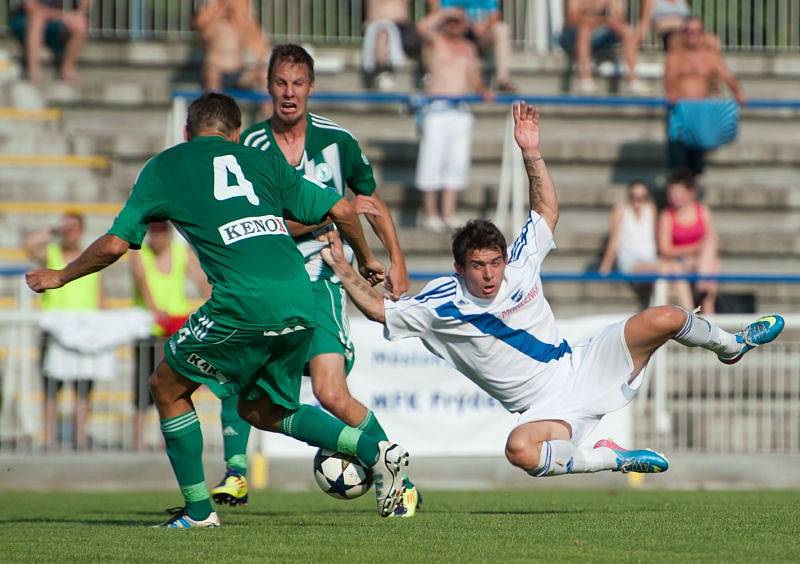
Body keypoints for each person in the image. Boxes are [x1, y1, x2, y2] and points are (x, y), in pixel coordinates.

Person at [320, 101, 785, 482]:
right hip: (542, 407)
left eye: (495, 262)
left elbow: (546, 210)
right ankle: (610, 458)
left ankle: (732, 344)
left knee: (665, 317)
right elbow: (381, 311)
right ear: (459, 268)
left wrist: (531, 153)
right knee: (518, 450)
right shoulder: (441, 303)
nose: (489, 274)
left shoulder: (519, 266)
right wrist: (343, 268)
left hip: (579, 363)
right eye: (478, 265)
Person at [26, 92, 410, 527]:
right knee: (260, 409)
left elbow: (115, 244)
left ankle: (198, 512)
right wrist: (368, 258)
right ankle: (375, 451)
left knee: (166, 387)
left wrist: (61, 275)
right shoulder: (260, 161)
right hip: (301, 296)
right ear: (236, 134)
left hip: (242, 300)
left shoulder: (166, 165)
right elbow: (342, 207)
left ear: (186, 133)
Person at [233, 44, 420, 517]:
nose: (289, 93)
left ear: (311, 87)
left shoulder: (338, 142)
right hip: (267, 283)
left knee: (330, 392)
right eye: (280, 83)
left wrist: (396, 260)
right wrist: (319, 221)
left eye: (298, 83)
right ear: (268, 85)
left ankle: (399, 480)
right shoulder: (250, 146)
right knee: (240, 389)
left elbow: (369, 203)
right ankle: (233, 472)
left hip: (320, 280)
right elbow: (257, 221)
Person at [129, 221, 212, 451]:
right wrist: (156, 311)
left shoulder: (180, 253)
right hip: (150, 330)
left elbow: (202, 282)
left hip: (175, 331)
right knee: (143, 388)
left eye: (160, 234)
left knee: (175, 388)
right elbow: (143, 284)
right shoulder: (140, 254)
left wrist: (213, 304)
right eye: (152, 234)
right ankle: (138, 440)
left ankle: (168, 439)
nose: (156, 239)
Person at [23, 211, 101, 450]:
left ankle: (79, 439)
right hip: (55, 329)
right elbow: (29, 244)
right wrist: (56, 229)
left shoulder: (88, 258)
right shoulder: (52, 254)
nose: (70, 233)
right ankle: (51, 440)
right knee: (51, 388)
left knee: (83, 390)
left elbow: (99, 292)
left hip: (85, 330)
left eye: (73, 228)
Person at [415, 8, 492, 233]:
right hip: (437, 109)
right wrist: (446, 12)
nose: (454, 25)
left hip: (460, 110)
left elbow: (474, 77)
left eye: (458, 22)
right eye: (451, 22)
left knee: (456, 162)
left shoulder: (468, 48)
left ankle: (447, 213)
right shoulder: (435, 42)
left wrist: (483, 89)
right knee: (432, 161)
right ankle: (430, 213)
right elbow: (422, 27)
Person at [664, 16, 744, 175]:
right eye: (688, 31)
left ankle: (689, 196)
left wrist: (738, 94)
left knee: (696, 163)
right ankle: (677, 194)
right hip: (681, 111)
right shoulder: (675, 56)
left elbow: (728, 77)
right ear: (683, 34)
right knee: (678, 162)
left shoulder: (711, 57)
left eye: (697, 31)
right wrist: (672, 96)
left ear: (703, 34)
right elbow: (669, 81)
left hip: (701, 112)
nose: (692, 35)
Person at [598, 180, 693, 310]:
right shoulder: (621, 210)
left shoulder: (650, 209)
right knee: (666, 271)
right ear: (628, 197)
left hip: (650, 261)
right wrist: (605, 268)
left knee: (676, 268)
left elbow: (653, 237)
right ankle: (680, 314)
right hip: (631, 263)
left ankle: (691, 314)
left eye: (642, 197)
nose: (638, 201)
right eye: (634, 197)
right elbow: (614, 240)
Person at [657, 171, 721, 314]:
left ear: (690, 192)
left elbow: (713, 240)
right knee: (709, 263)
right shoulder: (667, 216)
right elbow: (665, 250)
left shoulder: (702, 210)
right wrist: (694, 249)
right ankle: (698, 305)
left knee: (711, 250)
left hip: (701, 262)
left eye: (678, 193)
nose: (675, 197)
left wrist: (700, 255)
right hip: (679, 262)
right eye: (672, 193)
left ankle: (704, 296)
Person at [194, 0, 270, 114]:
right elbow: (202, 33)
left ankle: (270, 120)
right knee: (211, 74)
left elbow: (258, 42)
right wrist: (219, 12)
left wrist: (241, 16)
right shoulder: (212, 24)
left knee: (264, 74)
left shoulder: (240, 23)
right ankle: (215, 116)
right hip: (217, 71)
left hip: (238, 73)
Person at [561, 0, 650, 94]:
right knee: (584, 30)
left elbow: (617, 16)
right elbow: (573, 17)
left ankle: (633, 81)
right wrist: (602, 20)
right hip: (571, 34)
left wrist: (614, 15)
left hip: (596, 29)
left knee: (627, 31)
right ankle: (585, 80)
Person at [434, 0, 516, 92]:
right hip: (459, 35)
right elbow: (441, 16)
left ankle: (503, 80)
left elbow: (495, 15)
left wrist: (485, 27)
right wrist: (466, 24)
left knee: (502, 29)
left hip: (481, 35)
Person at [10, 0, 91, 83]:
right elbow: (32, 8)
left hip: (53, 20)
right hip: (25, 21)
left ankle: (68, 70)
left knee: (80, 24)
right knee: (37, 18)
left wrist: (80, 12)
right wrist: (64, 16)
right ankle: (34, 72)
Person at [362, 0, 421, 91]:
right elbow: (373, 13)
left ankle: (423, 74)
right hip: (383, 25)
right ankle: (383, 71)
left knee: (425, 36)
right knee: (383, 33)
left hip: (403, 26)